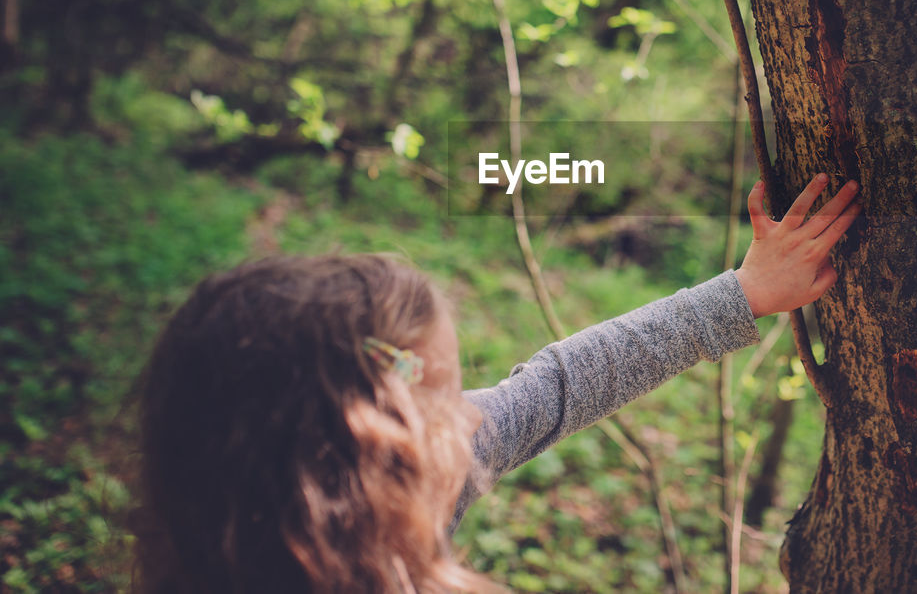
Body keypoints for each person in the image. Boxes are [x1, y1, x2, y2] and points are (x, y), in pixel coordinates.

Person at [129, 174, 861, 593]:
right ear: (351, 470)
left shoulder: (412, 473)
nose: (477, 421)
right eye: (443, 405)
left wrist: (744, 292)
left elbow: (562, 382)